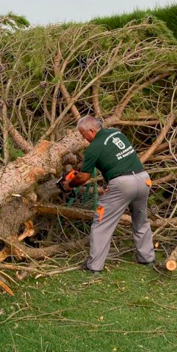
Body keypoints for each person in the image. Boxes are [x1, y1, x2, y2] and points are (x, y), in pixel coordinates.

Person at [62, 115, 155, 272]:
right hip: (143, 179)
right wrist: (109, 183)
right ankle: (147, 258)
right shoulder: (116, 133)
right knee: (140, 220)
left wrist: (69, 184)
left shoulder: (94, 147)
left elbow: (84, 176)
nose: (83, 138)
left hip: (123, 184)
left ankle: (94, 266)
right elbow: (116, 159)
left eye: (83, 134)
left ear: (91, 131)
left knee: (102, 223)